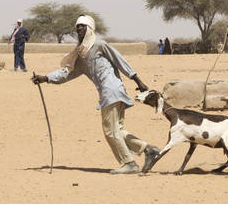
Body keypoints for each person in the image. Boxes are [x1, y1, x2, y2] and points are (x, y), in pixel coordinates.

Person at [31, 15, 159, 174]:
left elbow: (119, 61)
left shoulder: (100, 45)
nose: (79, 28)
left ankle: (129, 163)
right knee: (117, 130)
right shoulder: (81, 55)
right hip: (108, 94)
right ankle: (148, 149)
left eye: (82, 26)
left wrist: (138, 81)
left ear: (90, 29)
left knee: (110, 132)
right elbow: (67, 73)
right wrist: (46, 78)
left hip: (112, 91)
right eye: (77, 26)